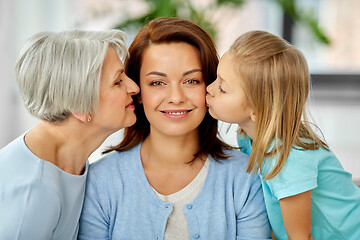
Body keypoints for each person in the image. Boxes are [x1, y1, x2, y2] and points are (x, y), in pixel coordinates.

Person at [78, 17, 271, 240]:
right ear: (137, 91)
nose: (176, 98)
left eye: (191, 81)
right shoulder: (100, 180)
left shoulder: (246, 177)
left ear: (210, 86)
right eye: (157, 83)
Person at [206, 30, 360, 240]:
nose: (209, 88)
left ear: (257, 108)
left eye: (222, 88)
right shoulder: (246, 137)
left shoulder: (288, 159)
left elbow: (300, 236)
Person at [0, 29, 139, 240]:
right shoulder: (34, 192)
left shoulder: (67, 162)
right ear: (80, 107)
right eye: (118, 81)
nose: (134, 87)